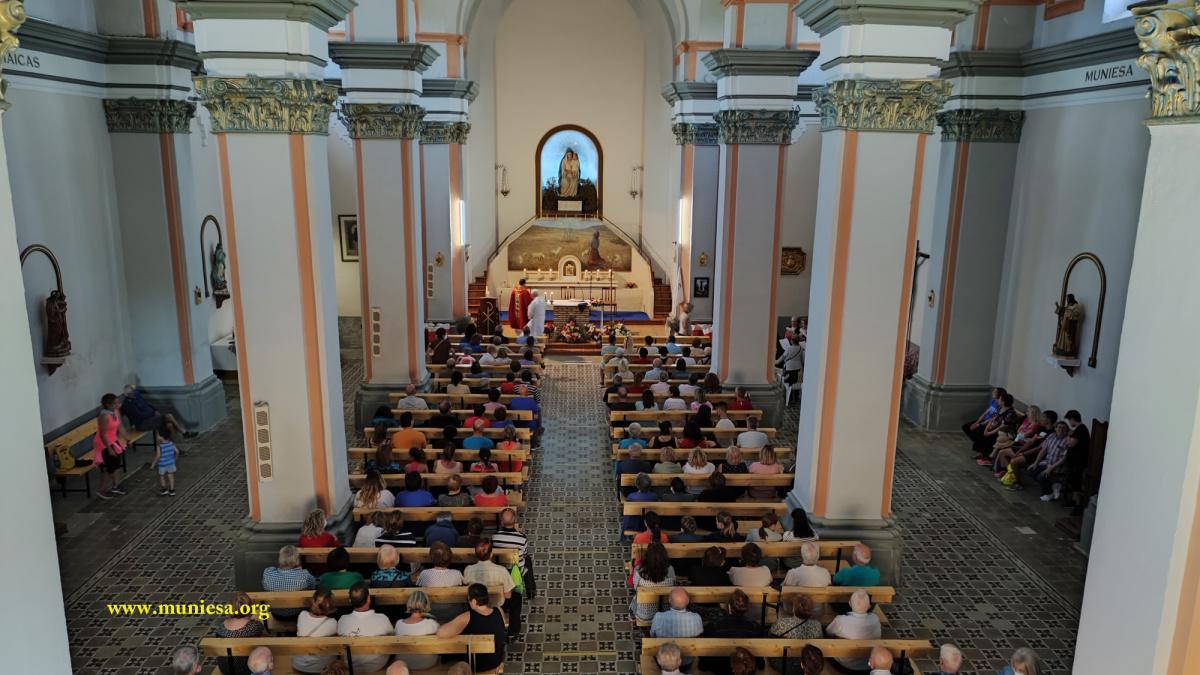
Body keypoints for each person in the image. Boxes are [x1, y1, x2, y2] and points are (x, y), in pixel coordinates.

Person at [438, 583, 508, 672]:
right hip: (496, 661)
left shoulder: (467, 617)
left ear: (474, 601)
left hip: (474, 666)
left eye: (468, 599)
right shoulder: (499, 610)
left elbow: (441, 633)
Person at [464, 537, 520, 635]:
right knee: (517, 597)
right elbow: (508, 595)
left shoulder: (468, 570)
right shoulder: (501, 570)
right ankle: (513, 631)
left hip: (477, 605)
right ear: (491, 554)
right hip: (497, 604)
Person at [700, 589, 761, 675]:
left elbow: (705, 654)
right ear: (746, 607)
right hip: (745, 668)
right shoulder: (755, 626)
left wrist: (702, 666)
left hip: (719, 668)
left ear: (729, 606)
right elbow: (759, 657)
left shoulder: (713, 625)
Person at [337, 582, 394, 673]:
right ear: (368, 599)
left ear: (350, 601)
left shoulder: (342, 620)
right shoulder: (382, 618)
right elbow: (393, 640)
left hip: (350, 665)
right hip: (378, 665)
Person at [826, 589, 882, 670]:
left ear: (850, 604)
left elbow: (828, 632)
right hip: (869, 665)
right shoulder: (875, 619)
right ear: (869, 606)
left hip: (844, 665)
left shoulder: (840, 620)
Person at [649, 588, 703, 671]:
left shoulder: (659, 617)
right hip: (687, 662)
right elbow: (700, 636)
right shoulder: (696, 618)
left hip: (663, 662)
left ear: (669, 600)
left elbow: (652, 636)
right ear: (688, 601)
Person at [768, 595, 824, 673]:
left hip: (783, 664)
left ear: (794, 609)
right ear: (811, 610)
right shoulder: (817, 625)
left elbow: (770, 635)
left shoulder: (781, 623)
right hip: (810, 664)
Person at [214, 592, 265, 673]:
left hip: (226, 668)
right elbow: (263, 634)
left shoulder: (221, 627)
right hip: (247, 668)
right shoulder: (254, 627)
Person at [290, 590, 339, 673]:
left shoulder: (302, 615)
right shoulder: (333, 623)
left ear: (313, 601)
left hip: (299, 665)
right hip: (322, 668)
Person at [391, 590, 440, 671]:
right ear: (426, 604)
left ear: (409, 603)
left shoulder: (399, 624)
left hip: (404, 664)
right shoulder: (431, 623)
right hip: (428, 663)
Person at [261, 545, 316, 619]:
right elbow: (314, 587)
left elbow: (264, 585)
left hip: (276, 614)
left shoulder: (268, 573)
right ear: (297, 560)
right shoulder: (304, 575)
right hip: (298, 614)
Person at [121, 384, 195, 438]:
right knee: (169, 416)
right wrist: (153, 413)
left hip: (151, 419)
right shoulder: (128, 404)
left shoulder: (136, 396)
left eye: (134, 390)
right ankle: (184, 432)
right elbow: (140, 415)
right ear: (128, 394)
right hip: (142, 424)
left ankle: (173, 449)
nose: (135, 392)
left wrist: (155, 410)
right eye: (133, 391)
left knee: (170, 426)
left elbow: (147, 404)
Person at [630, 541, 676, 622]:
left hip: (644, 614)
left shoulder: (639, 570)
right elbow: (674, 584)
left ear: (647, 555)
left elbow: (635, 587)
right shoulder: (670, 569)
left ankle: (633, 614)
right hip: (665, 612)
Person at [94, 393, 129, 499]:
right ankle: (102, 490)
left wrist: (127, 438)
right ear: (108, 405)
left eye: (118, 402)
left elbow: (120, 427)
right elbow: (102, 434)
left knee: (117, 465)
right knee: (109, 467)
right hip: (105, 444)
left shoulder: (115, 412)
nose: (118, 405)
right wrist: (109, 448)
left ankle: (116, 485)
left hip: (113, 440)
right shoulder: (104, 416)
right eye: (115, 403)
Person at [1062, 409, 1091, 507]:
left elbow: (1071, 444)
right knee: (1073, 481)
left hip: (1078, 462)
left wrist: (1068, 437)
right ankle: (1074, 501)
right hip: (1074, 461)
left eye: (1069, 420)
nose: (1069, 423)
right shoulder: (1079, 429)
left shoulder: (1080, 429)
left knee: (1076, 482)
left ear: (1073, 419)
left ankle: (1078, 504)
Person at [153, 427, 180, 496]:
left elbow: (158, 456)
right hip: (171, 463)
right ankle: (172, 490)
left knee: (162, 476)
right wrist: (175, 459)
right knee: (171, 476)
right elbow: (177, 451)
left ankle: (164, 490)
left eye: (158, 435)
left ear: (161, 437)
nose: (157, 436)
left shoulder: (159, 446)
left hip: (162, 464)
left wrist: (153, 463)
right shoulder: (171, 443)